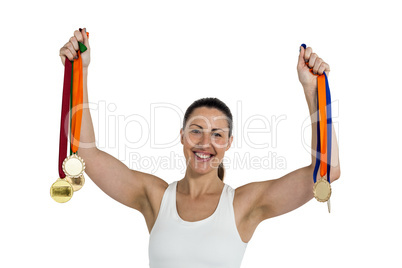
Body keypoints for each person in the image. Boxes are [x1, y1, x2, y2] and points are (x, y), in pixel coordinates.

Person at [59, 28, 341, 268]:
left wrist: (311, 90)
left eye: (217, 134)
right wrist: (80, 72)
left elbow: (326, 172)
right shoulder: (155, 197)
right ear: (182, 136)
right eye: (196, 131)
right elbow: (87, 154)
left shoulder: (244, 204)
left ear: (229, 143)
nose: (205, 143)